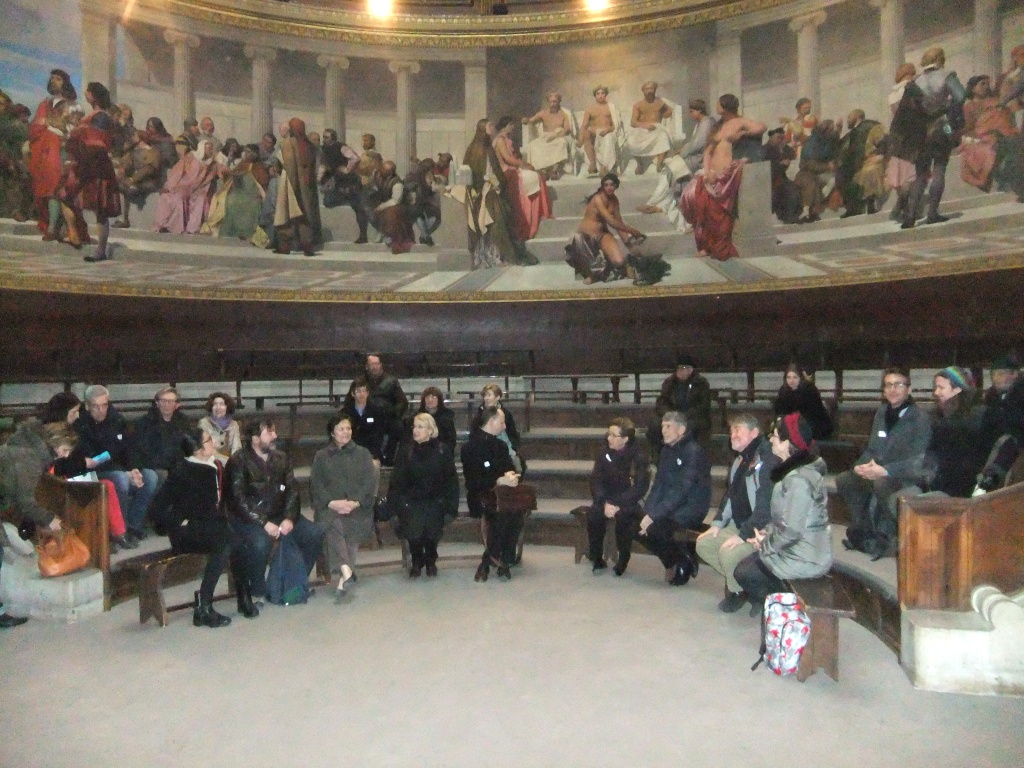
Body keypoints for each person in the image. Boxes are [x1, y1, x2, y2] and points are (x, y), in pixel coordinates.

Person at [733, 413, 833, 613]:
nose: (770, 439)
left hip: (806, 556)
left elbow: (792, 530)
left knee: (746, 572)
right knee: (746, 567)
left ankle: (785, 610)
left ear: (788, 443)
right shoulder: (792, 471)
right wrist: (765, 534)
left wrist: (765, 545)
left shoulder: (798, 480)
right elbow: (782, 518)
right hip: (797, 548)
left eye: (775, 436)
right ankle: (777, 607)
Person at [225, 417, 324, 614]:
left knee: (314, 533)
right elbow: (237, 500)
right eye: (269, 432)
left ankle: (294, 582)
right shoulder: (238, 461)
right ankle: (258, 590)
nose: (275, 436)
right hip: (249, 518)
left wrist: (289, 518)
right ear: (255, 439)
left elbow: (292, 491)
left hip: (280, 514)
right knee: (260, 543)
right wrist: (264, 523)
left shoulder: (281, 458)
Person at [147, 428, 242, 627]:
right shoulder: (183, 471)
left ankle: (232, 596)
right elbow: (155, 509)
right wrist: (176, 522)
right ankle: (204, 606)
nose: (213, 442)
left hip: (208, 528)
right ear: (198, 450)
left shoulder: (213, 466)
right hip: (186, 533)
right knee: (226, 541)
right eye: (208, 441)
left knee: (235, 536)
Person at [836, 366, 931, 558]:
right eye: (888, 385)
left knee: (881, 484)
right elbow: (872, 449)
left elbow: (918, 460)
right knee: (845, 479)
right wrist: (860, 466)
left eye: (898, 384)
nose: (892, 389)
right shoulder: (881, 413)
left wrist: (885, 470)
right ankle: (865, 529)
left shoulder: (920, 418)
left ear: (909, 389)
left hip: (905, 475)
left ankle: (891, 536)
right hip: (879, 470)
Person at [696, 413, 779, 612]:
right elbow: (730, 495)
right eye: (731, 430)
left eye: (738, 430)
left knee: (728, 553)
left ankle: (749, 592)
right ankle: (743, 589)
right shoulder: (740, 461)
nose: (732, 435)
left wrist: (743, 535)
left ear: (754, 433)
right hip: (740, 524)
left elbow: (765, 508)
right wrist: (717, 524)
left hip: (761, 530)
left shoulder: (767, 461)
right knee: (703, 544)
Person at [680, 94, 766, 260]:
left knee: (717, 214)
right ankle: (705, 245)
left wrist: (743, 133)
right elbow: (708, 152)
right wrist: (707, 172)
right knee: (693, 200)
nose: (716, 106)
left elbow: (762, 127)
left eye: (719, 103)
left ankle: (714, 247)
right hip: (711, 173)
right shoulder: (718, 126)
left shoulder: (740, 122)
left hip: (725, 174)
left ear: (726, 106)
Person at [75, 384, 159, 543]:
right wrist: (125, 471)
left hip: (119, 468)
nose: (101, 410)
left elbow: (130, 446)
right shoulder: (80, 425)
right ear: (87, 406)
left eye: (104, 405)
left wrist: (134, 468)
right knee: (120, 478)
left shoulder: (117, 419)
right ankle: (119, 531)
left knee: (150, 477)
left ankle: (133, 524)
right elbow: (94, 458)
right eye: (96, 406)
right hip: (94, 472)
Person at [637, 411, 712, 585]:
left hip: (690, 507)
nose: (663, 430)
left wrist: (654, 515)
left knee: (656, 528)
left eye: (668, 426)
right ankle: (674, 559)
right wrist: (648, 512)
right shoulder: (666, 451)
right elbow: (659, 485)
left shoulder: (693, 452)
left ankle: (684, 558)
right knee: (636, 525)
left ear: (682, 430)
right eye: (663, 426)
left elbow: (682, 490)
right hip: (670, 506)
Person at [309, 413, 377, 603]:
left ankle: (344, 575)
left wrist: (355, 502)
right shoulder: (321, 456)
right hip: (330, 507)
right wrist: (332, 503)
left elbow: (369, 483)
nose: (345, 432)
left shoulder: (363, 454)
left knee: (349, 527)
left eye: (348, 428)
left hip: (358, 508)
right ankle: (346, 573)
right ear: (332, 433)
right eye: (341, 429)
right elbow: (316, 485)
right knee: (332, 523)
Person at [899, 47, 966, 229]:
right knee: (939, 168)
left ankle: (910, 217)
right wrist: (948, 107)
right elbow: (961, 96)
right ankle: (932, 214)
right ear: (939, 59)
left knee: (921, 174)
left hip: (920, 130)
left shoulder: (915, 81)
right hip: (942, 126)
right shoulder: (946, 76)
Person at [387, 413, 460, 578]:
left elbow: (451, 482)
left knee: (431, 524)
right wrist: (396, 506)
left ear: (430, 430)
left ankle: (431, 559)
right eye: (414, 426)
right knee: (414, 525)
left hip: (436, 500)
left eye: (420, 427)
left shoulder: (443, 450)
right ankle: (417, 559)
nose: (415, 430)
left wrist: (450, 507)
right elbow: (396, 483)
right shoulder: (405, 451)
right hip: (411, 501)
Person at [57, 82, 121, 262]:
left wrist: (77, 140)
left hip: (95, 167)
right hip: (86, 165)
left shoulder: (101, 116)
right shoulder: (95, 115)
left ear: (93, 95)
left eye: (88, 91)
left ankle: (100, 251)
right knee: (65, 195)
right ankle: (73, 233)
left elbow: (97, 143)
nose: (85, 94)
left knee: (100, 209)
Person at [460, 118, 536, 268]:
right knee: (497, 218)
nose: (492, 128)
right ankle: (494, 256)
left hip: (489, 189)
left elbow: (495, 172)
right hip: (482, 193)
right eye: (489, 126)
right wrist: (490, 184)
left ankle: (500, 255)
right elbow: (472, 173)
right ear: (483, 129)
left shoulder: (484, 148)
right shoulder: (478, 149)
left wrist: (497, 183)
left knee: (503, 216)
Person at [461, 406, 522, 582]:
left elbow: (509, 468)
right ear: (491, 421)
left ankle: (492, 560)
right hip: (480, 496)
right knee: (500, 514)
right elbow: (473, 482)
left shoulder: (501, 446)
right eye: (502, 422)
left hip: (502, 496)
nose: (504, 426)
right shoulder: (470, 448)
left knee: (515, 511)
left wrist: (511, 477)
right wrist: (497, 481)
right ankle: (501, 561)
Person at [586, 417, 649, 576]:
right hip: (606, 498)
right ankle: (596, 557)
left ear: (625, 439)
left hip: (627, 499)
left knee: (625, 518)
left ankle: (623, 559)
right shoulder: (603, 452)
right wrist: (604, 502)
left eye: (613, 435)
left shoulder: (638, 457)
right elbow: (596, 480)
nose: (609, 438)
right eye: (608, 434)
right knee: (594, 515)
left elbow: (640, 487)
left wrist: (616, 504)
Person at [916, 367, 989, 498]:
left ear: (957, 389)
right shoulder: (940, 417)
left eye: (941, 388)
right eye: (936, 387)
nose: (936, 392)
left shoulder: (971, 420)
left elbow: (960, 464)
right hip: (937, 483)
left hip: (959, 490)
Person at [564, 173, 646, 285]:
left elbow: (619, 224)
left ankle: (621, 266)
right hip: (585, 236)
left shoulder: (615, 201)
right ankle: (593, 275)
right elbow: (611, 222)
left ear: (616, 186)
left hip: (602, 234)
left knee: (619, 261)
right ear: (602, 186)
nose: (609, 187)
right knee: (580, 242)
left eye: (612, 185)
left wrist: (630, 246)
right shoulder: (598, 198)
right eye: (606, 185)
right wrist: (632, 231)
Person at [28, 69, 77, 240]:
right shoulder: (45, 103)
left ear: (65, 83)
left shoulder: (71, 105)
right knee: (46, 187)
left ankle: (53, 227)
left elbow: (73, 130)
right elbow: (35, 126)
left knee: (56, 187)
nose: (54, 81)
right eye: (52, 78)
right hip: (43, 150)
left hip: (61, 149)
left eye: (58, 79)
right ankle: (49, 224)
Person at [492, 115, 552, 242]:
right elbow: (507, 159)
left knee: (538, 176)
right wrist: (524, 165)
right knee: (534, 177)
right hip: (507, 171)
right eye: (511, 125)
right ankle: (529, 219)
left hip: (513, 168)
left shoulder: (506, 139)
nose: (513, 127)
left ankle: (539, 214)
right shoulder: (500, 140)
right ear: (505, 126)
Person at [344, 354, 409, 466]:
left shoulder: (391, 381)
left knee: (399, 427)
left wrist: (393, 413)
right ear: (366, 366)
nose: (374, 367)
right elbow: (349, 402)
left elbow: (402, 402)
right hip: (367, 417)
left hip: (387, 417)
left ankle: (389, 456)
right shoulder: (359, 382)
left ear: (381, 365)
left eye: (376, 364)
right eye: (371, 364)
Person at [959, 75, 1018, 193]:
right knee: (989, 149)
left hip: (1005, 133)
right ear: (973, 88)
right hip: (985, 136)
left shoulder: (996, 100)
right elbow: (970, 127)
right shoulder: (969, 106)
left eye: (987, 84)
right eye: (982, 84)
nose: (986, 86)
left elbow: (1007, 115)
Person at [273, 118, 322, 256]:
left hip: (289, 183)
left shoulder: (287, 143)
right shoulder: (310, 145)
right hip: (307, 186)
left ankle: (285, 246)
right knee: (305, 214)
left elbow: (284, 165)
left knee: (286, 213)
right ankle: (307, 245)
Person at [976, 354, 1024, 492]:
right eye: (993, 375)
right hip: (994, 444)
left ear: (1014, 374)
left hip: (1016, 444)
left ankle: (990, 479)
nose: (996, 378)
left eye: (1001, 374)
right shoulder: (991, 398)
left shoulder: (1020, 396)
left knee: (1006, 442)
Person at [648, 355, 712, 457]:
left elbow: (702, 406)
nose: (681, 371)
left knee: (690, 426)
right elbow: (662, 402)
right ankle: (660, 455)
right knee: (655, 424)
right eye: (679, 368)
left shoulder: (700, 383)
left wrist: (683, 416)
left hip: (692, 417)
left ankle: (686, 455)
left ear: (691, 370)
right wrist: (669, 414)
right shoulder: (669, 383)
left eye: (684, 368)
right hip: (672, 415)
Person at [152, 138, 219, 235]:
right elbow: (178, 171)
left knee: (201, 199)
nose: (210, 151)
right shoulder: (191, 157)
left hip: (198, 188)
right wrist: (170, 185)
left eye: (211, 149)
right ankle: (167, 225)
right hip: (182, 185)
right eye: (208, 148)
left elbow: (207, 180)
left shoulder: (212, 164)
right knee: (176, 198)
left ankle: (192, 228)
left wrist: (197, 188)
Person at [835, 109, 886, 217]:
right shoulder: (852, 133)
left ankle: (870, 203)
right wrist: (838, 130)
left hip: (869, 161)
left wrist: (879, 155)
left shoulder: (871, 126)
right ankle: (852, 207)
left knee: (869, 171)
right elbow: (839, 146)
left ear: (857, 116)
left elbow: (883, 142)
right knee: (841, 175)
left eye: (849, 117)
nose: (847, 120)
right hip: (855, 164)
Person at [885, 63, 919, 222]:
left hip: (897, 135)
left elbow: (896, 114)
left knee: (900, 173)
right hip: (912, 134)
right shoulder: (913, 88)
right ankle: (902, 207)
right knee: (910, 174)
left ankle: (902, 208)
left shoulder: (893, 94)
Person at [793, 119, 841, 224]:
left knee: (835, 179)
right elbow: (810, 164)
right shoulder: (812, 143)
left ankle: (817, 205)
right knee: (811, 185)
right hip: (808, 173)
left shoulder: (827, 140)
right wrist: (827, 166)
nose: (832, 132)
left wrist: (839, 128)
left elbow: (834, 141)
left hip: (821, 172)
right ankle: (808, 211)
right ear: (825, 130)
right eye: (831, 130)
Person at [522, 91, 574, 180]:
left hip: (558, 136)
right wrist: (526, 120)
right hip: (545, 137)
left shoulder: (564, 114)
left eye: (555, 101)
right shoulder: (543, 113)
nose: (552, 104)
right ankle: (543, 170)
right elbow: (530, 120)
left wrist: (556, 136)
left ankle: (554, 170)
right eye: (551, 102)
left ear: (559, 102)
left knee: (562, 143)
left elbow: (567, 129)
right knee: (533, 145)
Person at [772, 364, 833, 440]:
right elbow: (779, 411)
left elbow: (813, 413)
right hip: (792, 426)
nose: (791, 380)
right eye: (789, 377)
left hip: (814, 427)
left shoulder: (809, 389)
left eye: (795, 377)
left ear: (800, 378)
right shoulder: (783, 391)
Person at [471, 383, 523, 472]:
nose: (486, 398)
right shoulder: (479, 415)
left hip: (507, 449)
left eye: (489, 395)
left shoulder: (506, 414)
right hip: (486, 451)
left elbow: (512, 433)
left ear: (497, 397)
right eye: (485, 395)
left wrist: (513, 447)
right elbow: (474, 434)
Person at [627, 81, 674, 175]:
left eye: (651, 88)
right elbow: (633, 122)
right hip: (642, 128)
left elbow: (669, 111)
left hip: (657, 128)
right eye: (647, 89)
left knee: (663, 136)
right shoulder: (638, 105)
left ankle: (660, 163)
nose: (649, 91)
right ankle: (640, 164)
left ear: (655, 90)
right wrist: (645, 126)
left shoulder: (660, 102)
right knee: (631, 140)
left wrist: (665, 114)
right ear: (643, 91)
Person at [0, 89, 32, 223]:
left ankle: (16, 210)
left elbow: (23, 138)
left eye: (2, 103)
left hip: (12, 159)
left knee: (17, 182)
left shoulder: (13, 123)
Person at [578, 86, 625, 176]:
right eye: (598, 94)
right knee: (586, 133)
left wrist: (607, 130)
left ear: (606, 95)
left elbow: (615, 125)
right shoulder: (590, 109)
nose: (600, 96)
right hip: (594, 133)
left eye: (602, 93)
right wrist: (580, 139)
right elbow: (584, 125)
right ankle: (592, 164)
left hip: (608, 131)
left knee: (608, 138)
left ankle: (604, 166)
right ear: (595, 96)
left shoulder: (611, 107)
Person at [370, 160, 414, 254]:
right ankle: (382, 232)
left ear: (389, 172)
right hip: (385, 204)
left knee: (391, 213)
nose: (381, 171)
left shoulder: (397, 183)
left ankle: (391, 236)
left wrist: (381, 206)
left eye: (383, 170)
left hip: (399, 206)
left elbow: (396, 200)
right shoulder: (380, 178)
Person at [341, 377, 388, 463]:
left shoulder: (376, 411)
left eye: (364, 391)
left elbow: (378, 435)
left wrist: (371, 454)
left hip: (371, 452)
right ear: (352, 394)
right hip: (350, 452)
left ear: (368, 393)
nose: (362, 394)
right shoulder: (345, 413)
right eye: (358, 391)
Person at [764, 127, 801, 224]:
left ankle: (791, 217)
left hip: (782, 178)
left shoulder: (783, 148)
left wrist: (783, 150)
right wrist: (780, 164)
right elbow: (766, 167)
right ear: (771, 137)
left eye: (782, 138)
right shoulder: (765, 150)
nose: (780, 140)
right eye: (778, 137)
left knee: (793, 190)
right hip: (770, 179)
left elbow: (792, 157)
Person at [198, 391, 242, 461]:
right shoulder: (204, 423)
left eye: (222, 404)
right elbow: (206, 450)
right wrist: (227, 461)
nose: (218, 407)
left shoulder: (234, 424)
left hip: (229, 462)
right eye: (215, 404)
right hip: (210, 461)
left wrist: (234, 462)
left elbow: (236, 448)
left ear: (227, 407)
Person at [411, 386, 457, 453]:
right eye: (427, 397)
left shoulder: (447, 416)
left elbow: (450, 440)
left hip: (440, 451)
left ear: (439, 400)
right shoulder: (416, 416)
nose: (430, 400)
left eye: (434, 397)